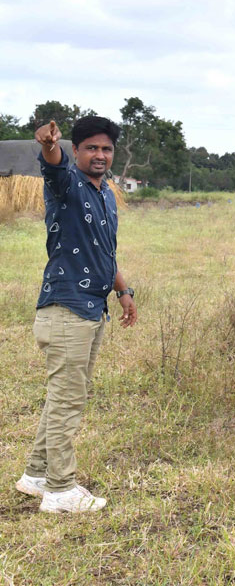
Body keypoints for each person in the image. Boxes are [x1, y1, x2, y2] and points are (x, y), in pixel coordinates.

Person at [16, 117, 138, 513]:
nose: (99, 155)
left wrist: (124, 292)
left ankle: (35, 475)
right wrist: (49, 144)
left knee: (64, 397)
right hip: (66, 308)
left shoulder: (105, 194)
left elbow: (106, 250)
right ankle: (60, 490)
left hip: (91, 308)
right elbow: (52, 162)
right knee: (68, 401)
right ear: (77, 151)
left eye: (106, 149)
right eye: (91, 148)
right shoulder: (66, 184)